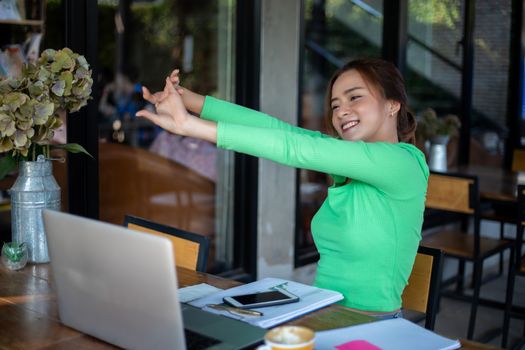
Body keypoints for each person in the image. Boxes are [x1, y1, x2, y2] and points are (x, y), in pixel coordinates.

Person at [136, 59, 429, 319]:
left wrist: (190, 126)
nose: (341, 111)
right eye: (336, 105)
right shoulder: (353, 161)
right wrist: (189, 100)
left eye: (355, 98)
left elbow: (295, 148)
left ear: (393, 104)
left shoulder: (403, 163)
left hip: (369, 325)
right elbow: (280, 131)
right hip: (321, 312)